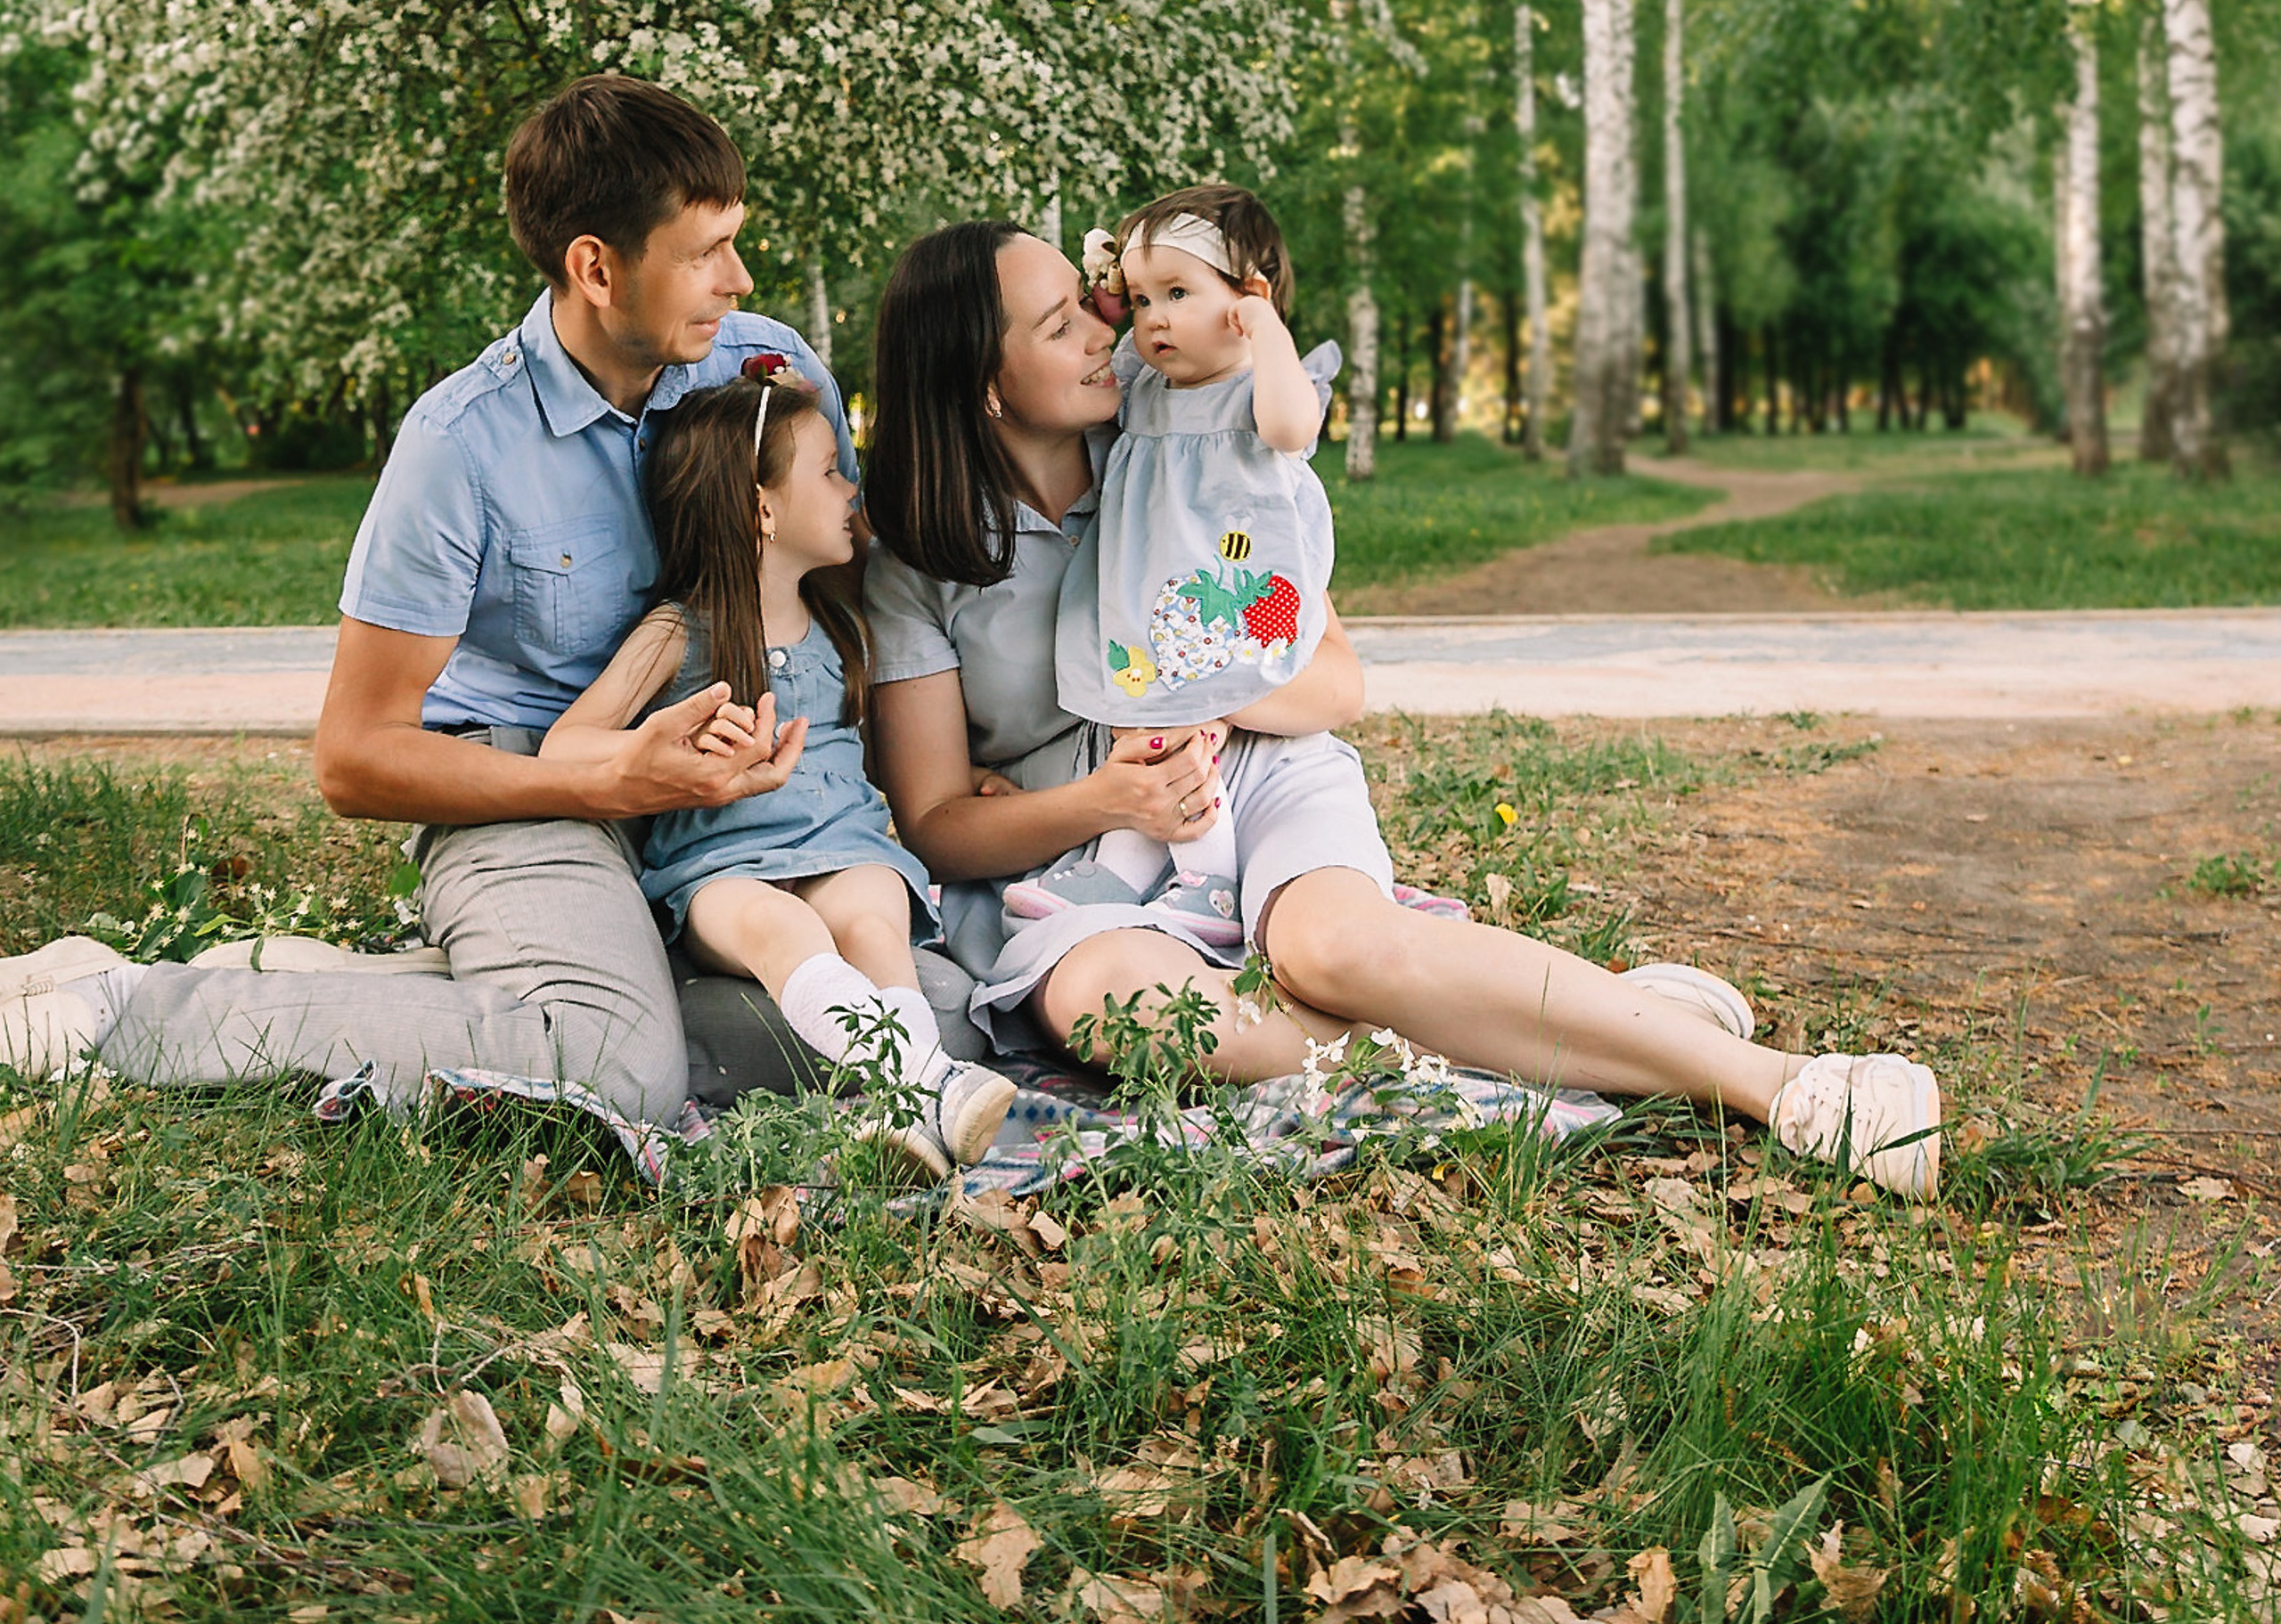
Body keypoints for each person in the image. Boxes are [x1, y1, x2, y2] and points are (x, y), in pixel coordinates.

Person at [862, 221, 1945, 1198]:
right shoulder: (918, 557)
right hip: (1077, 865)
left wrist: (1214, 699)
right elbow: (938, 821)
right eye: (1065, 323)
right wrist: (1108, 797)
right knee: (1122, 1011)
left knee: (1336, 952)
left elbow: (1335, 680)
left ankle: (1791, 1089)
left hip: (1257, 766)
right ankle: (1595, 1023)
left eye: (1093, 301)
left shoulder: (1192, 448)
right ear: (983, 384)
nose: (1110, 328)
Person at [0, 77, 846, 1122]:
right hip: (522, 790)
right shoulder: (459, 445)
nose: (739, 276)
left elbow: (841, 586)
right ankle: (118, 1008)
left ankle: (407, 996)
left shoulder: (766, 370)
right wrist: (606, 782)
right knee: (614, 1068)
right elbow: (354, 757)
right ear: (595, 266)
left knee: (904, 1011)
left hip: (717, 807)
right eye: (703, 252)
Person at [537, 365, 1016, 1175]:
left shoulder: (842, 619)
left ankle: (900, 1119)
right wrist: (658, 744)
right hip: (721, 869)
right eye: (830, 471)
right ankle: (933, 1088)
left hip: (844, 848)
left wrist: (967, 780)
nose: (851, 490)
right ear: (763, 508)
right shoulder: (679, 631)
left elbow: (881, 756)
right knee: (787, 931)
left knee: (873, 922)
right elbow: (566, 749)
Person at [1003, 184, 1342, 944]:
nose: (1155, 317)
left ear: (1246, 296)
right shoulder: (1150, 383)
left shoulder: (1257, 385)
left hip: (1227, 582)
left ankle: (1209, 880)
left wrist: (1263, 328)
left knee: (1189, 711)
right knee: (1141, 713)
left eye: (1180, 293)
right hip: (1149, 587)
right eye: (1144, 296)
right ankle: (1125, 861)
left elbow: (1292, 428)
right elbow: (1091, 364)